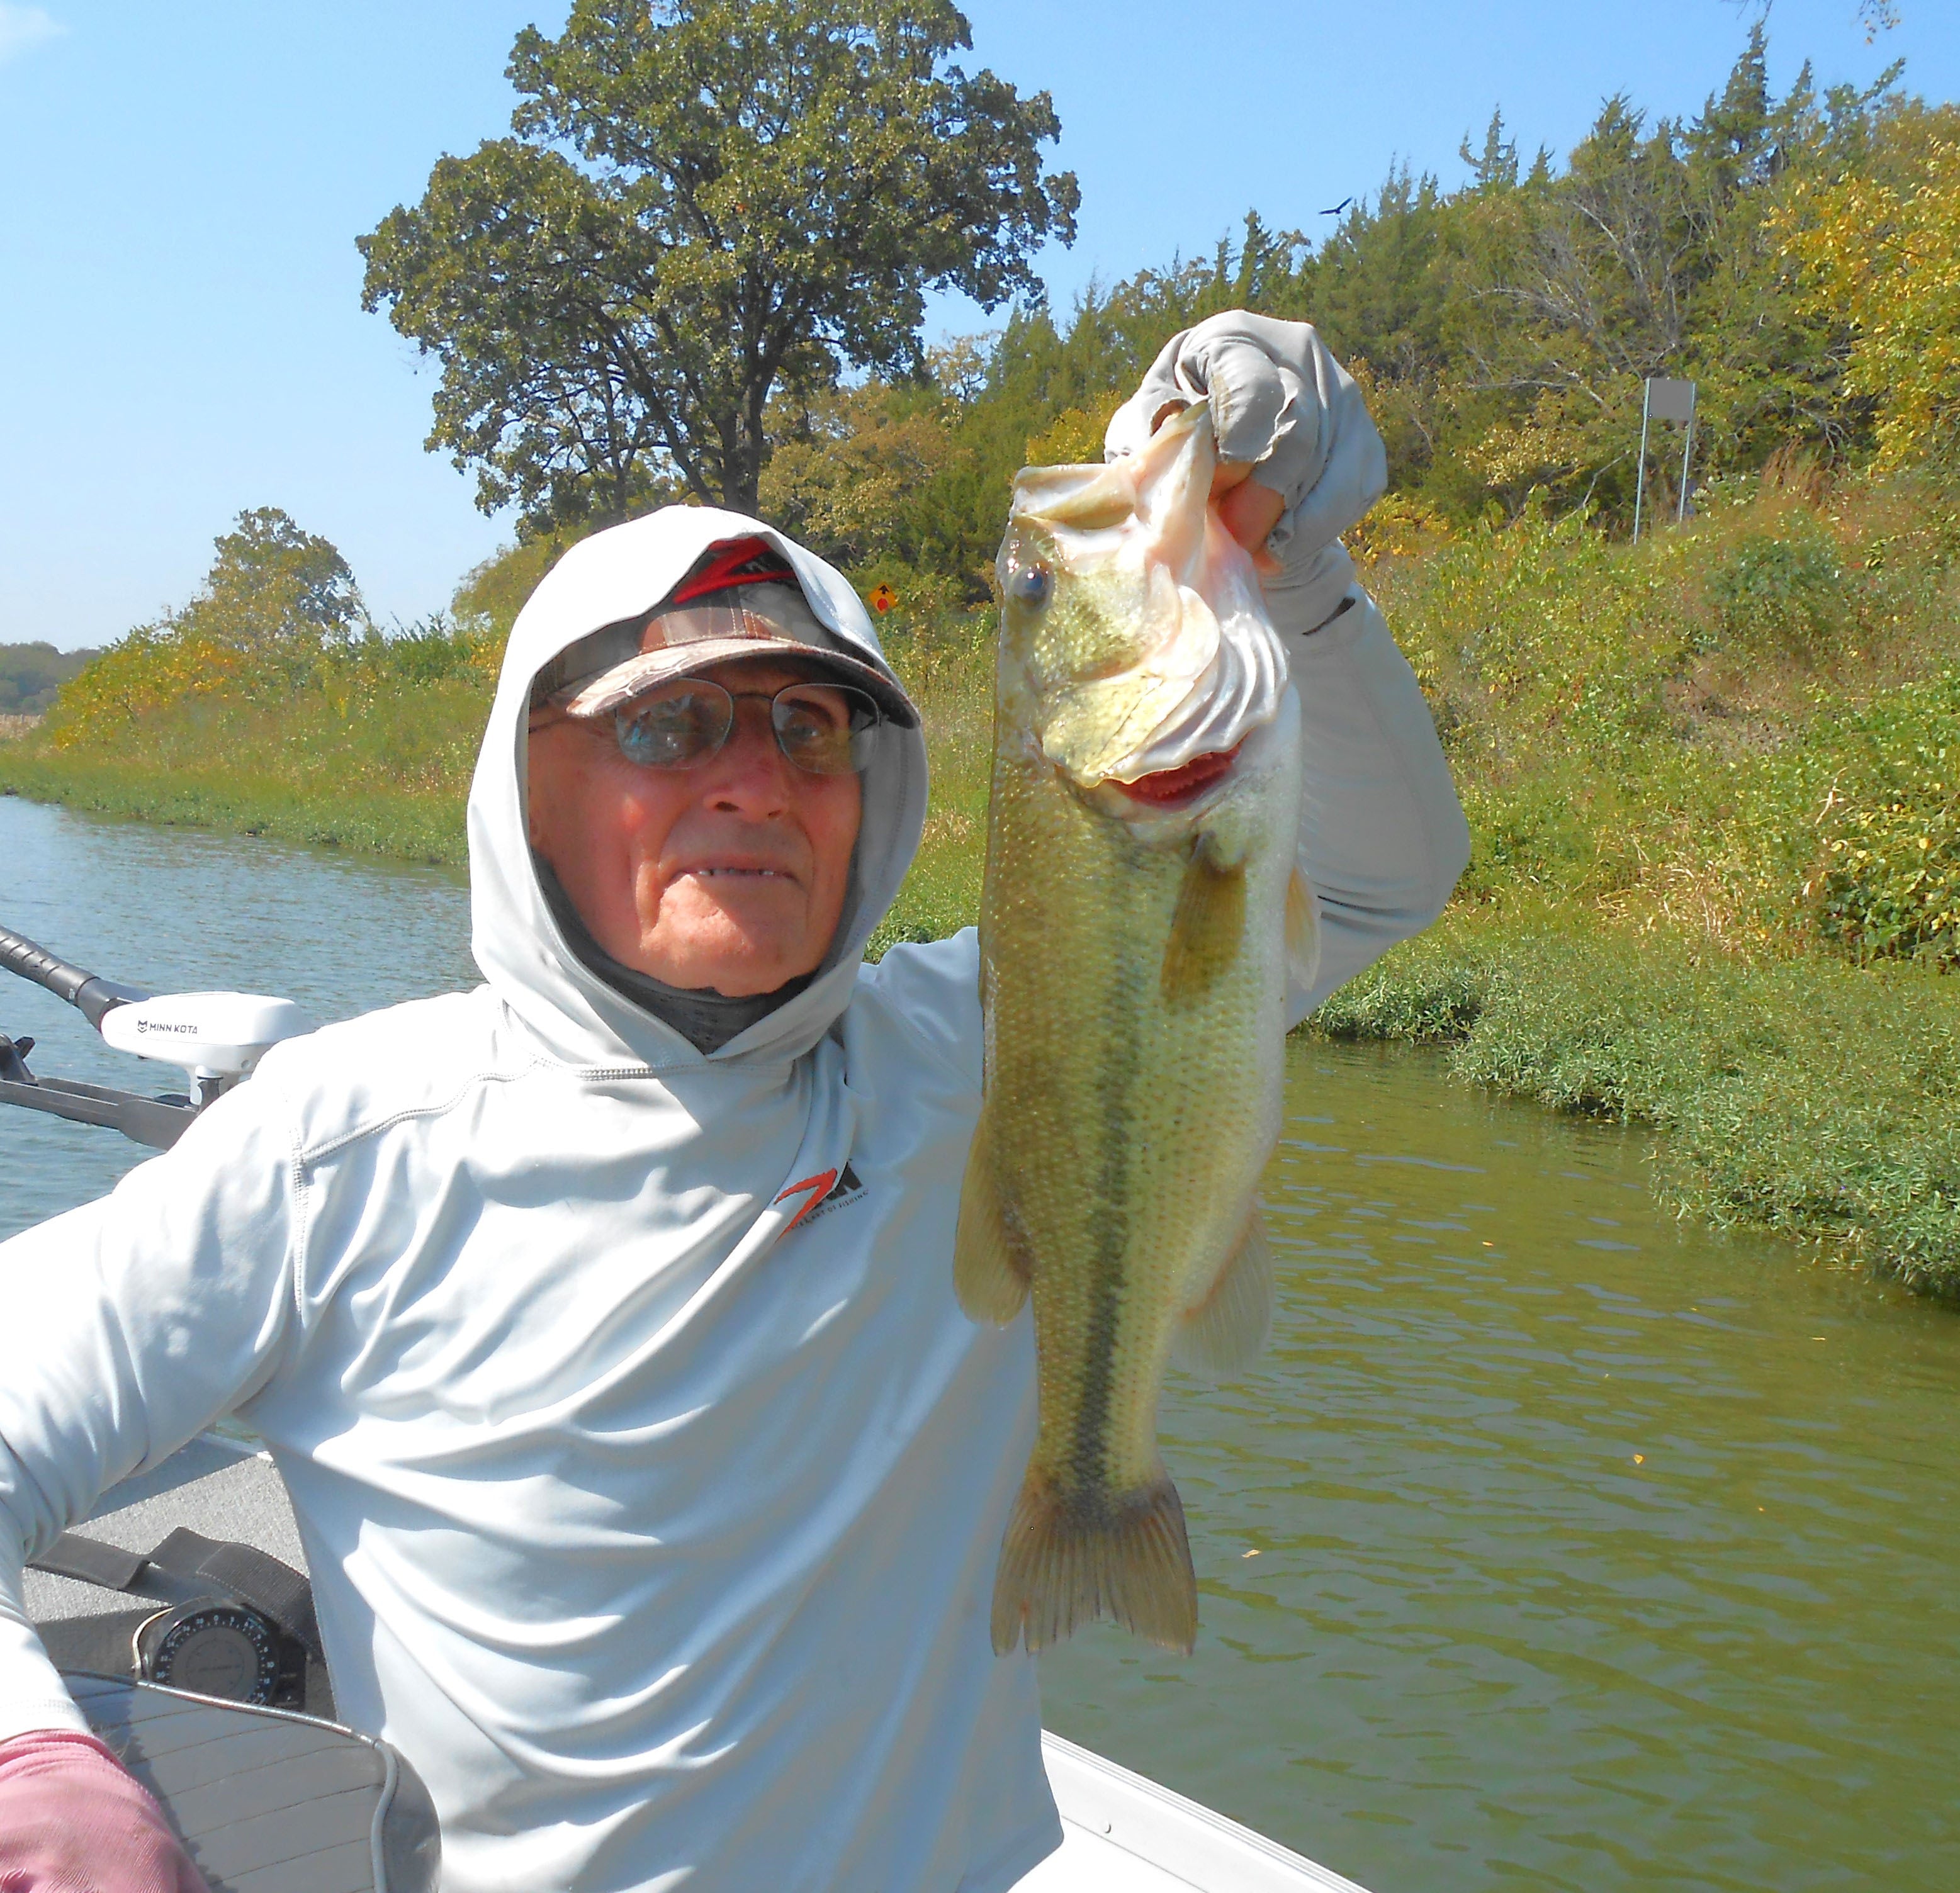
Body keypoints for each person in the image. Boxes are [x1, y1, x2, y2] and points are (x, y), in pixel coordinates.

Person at [0, 315, 1469, 1892]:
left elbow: (1380, 878)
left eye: (808, 726)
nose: (754, 781)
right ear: (526, 787)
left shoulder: (990, 1047)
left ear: (875, 793)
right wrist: (32, 1758)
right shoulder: (338, 1150)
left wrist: (1294, 568)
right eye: (667, 723)